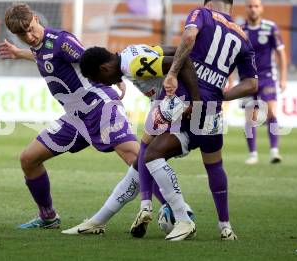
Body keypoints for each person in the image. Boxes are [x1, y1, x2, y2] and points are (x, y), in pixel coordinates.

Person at [0, 3, 144, 230]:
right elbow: (42, 56)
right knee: (29, 159)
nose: (28, 36)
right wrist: (19, 53)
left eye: (30, 28)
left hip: (100, 107)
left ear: (36, 18)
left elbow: (90, 59)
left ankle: (175, 209)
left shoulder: (60, 41)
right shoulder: (39, 47)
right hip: (75, 118)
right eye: (21, 34)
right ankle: (48, 217)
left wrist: (115, 77)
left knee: (138, 159)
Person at [146, 0, 258, 241]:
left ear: (208, 4)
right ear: (231, 9)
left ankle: (174, 213)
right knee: (214, 164)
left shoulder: (202, 14)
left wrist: (173, 72)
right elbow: (252, 85)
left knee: (150, 152)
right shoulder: (244, 38)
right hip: (212, 111)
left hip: (185, 101)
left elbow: (188, 37)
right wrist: (222, 96)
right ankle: (225, 226)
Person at [61, 44, 201, 237]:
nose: (106, 84)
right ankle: (99, 221)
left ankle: (179, 216)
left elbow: (182, 60)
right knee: (138, 166)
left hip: (177, 105)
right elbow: (172, 50)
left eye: (100, 80)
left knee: (147, 155)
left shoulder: (134, 65)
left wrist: (196, 100)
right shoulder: (130, 51)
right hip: (169, 104)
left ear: (104, 69)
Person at [241, 0, 288, 165]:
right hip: (247, 79)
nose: (253, 9)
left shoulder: (270, 28)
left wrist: (283, 78)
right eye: (250, 6)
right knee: (250, 118)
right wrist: (230, 79)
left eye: (256, 6)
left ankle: (274, 151)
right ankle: (252, 154)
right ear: (246, 8)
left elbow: (281, 53)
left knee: (272, 112)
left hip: (267, 77)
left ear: (261, 8)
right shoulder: (240, 30)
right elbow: (233, 57)